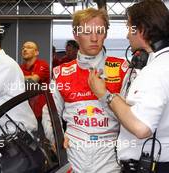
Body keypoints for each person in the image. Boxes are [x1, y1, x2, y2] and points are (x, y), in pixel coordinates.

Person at [42, 8, 128, 173]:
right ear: (76, 35)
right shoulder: (61, 73)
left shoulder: (122, 68)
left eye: (99, 31)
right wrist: (56, 138)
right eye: (87, 32)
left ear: (106, 34)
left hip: (111, 157)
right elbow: (49, 112)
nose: (94, 38)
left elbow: (133, 115)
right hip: (74, 156)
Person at [88, 0, 169, 172]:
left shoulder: (156, 70)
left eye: (129, 28)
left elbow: (141, 127)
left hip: (151, 166)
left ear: (141, 29)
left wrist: (105, 94)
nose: (127, 35)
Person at [20, 41, 50, 120]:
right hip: (25, 113)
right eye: (23, 48)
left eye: (29, 47)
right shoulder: (19, 68)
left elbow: (33, 81)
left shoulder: (43, 64)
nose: (25, 49)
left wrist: (20, 78)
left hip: (42, 114)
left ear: (36, 52)